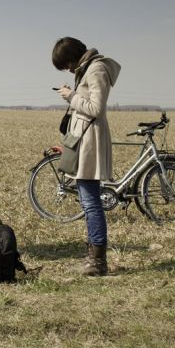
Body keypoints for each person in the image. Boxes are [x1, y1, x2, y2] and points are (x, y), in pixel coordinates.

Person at [52, 37, 121, 276]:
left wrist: (71, 96)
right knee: (88, 200)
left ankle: (98, 261)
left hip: (90, 141)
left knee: (91, 203)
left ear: (73, 57)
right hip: (84, 139)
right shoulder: (88, 68)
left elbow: (96, 108)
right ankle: (93, 256)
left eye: (67, 65)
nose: (68, 70)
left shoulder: (97, 69)